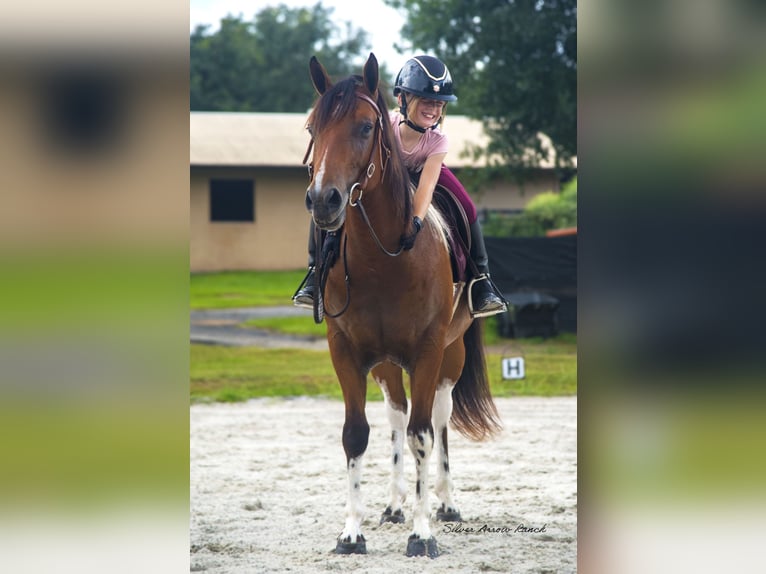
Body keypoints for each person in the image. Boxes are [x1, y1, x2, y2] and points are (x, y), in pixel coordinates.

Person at [294, 55, 506, 317]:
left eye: (439, 104)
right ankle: (315, 274)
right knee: (328, 198)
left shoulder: (438, 141)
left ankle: (482, 280)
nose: (434, 109)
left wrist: (416, 221)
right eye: (426, 101)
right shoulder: (388, 124)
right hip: (388, 175)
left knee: (467, 206)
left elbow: (427, 186)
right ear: (403, 99)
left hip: (423, 173)